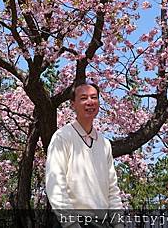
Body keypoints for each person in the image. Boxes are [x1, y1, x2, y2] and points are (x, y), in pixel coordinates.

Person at [45, 82, 123, 227]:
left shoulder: (104, 143)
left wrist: (118, 223)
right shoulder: (62, 137)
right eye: (83, 98)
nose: (90, 102)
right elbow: (55, 182)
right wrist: (71, 223)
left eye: (94, 97)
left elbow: (112, 189)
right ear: (73, 104)